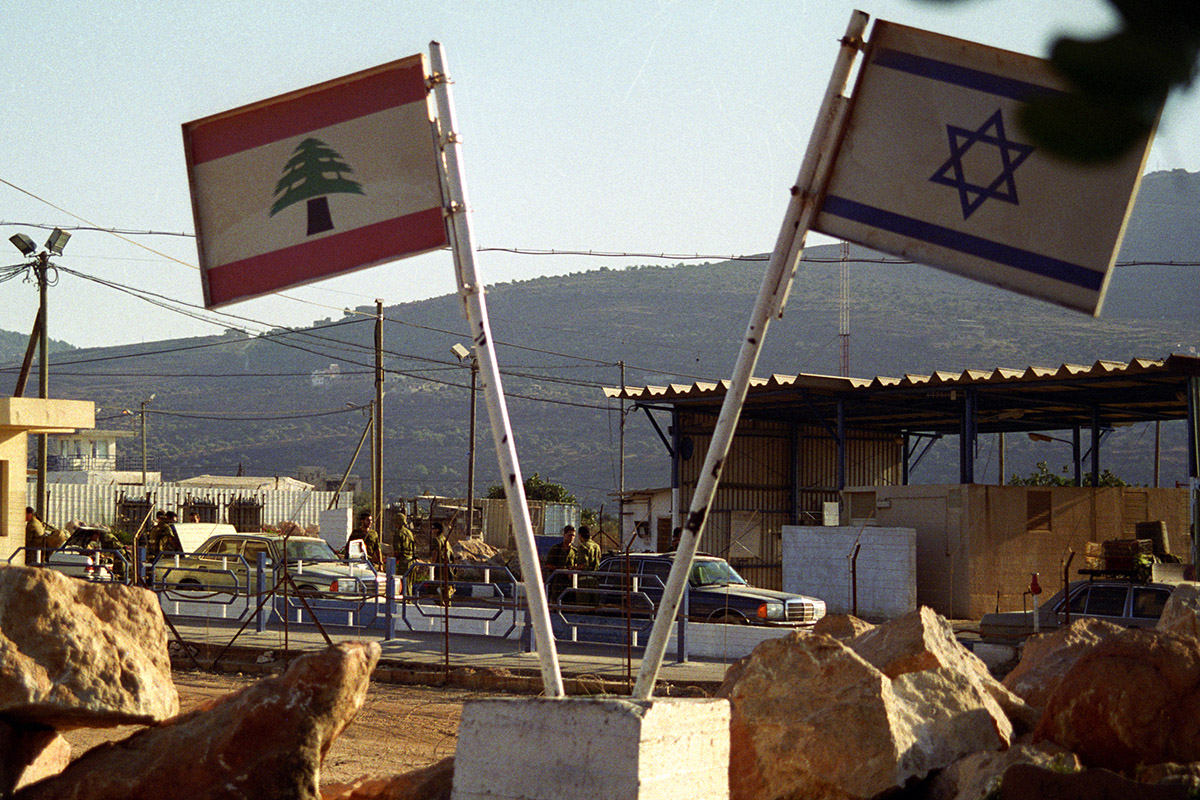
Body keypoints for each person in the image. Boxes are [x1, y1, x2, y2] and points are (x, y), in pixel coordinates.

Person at [544, 525, 576, 602]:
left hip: (569, 583)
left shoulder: (574, 551)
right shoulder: (556, 549)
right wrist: (561, 571)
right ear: (564, 535)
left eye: (573, 535)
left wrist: (572, 571)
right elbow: (548, 564)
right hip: (557, 582)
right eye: (569, 535)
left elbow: (575, 564)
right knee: (556, 604)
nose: (571, 537)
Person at [391, 509, 416, 586]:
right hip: (412, 562)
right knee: (409, 585)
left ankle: (405, 598)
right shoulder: (409, 533)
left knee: (402, 585)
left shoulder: (398, 533)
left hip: (404, 563)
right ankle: (409, 598)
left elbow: (397, 551)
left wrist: (392, 562)